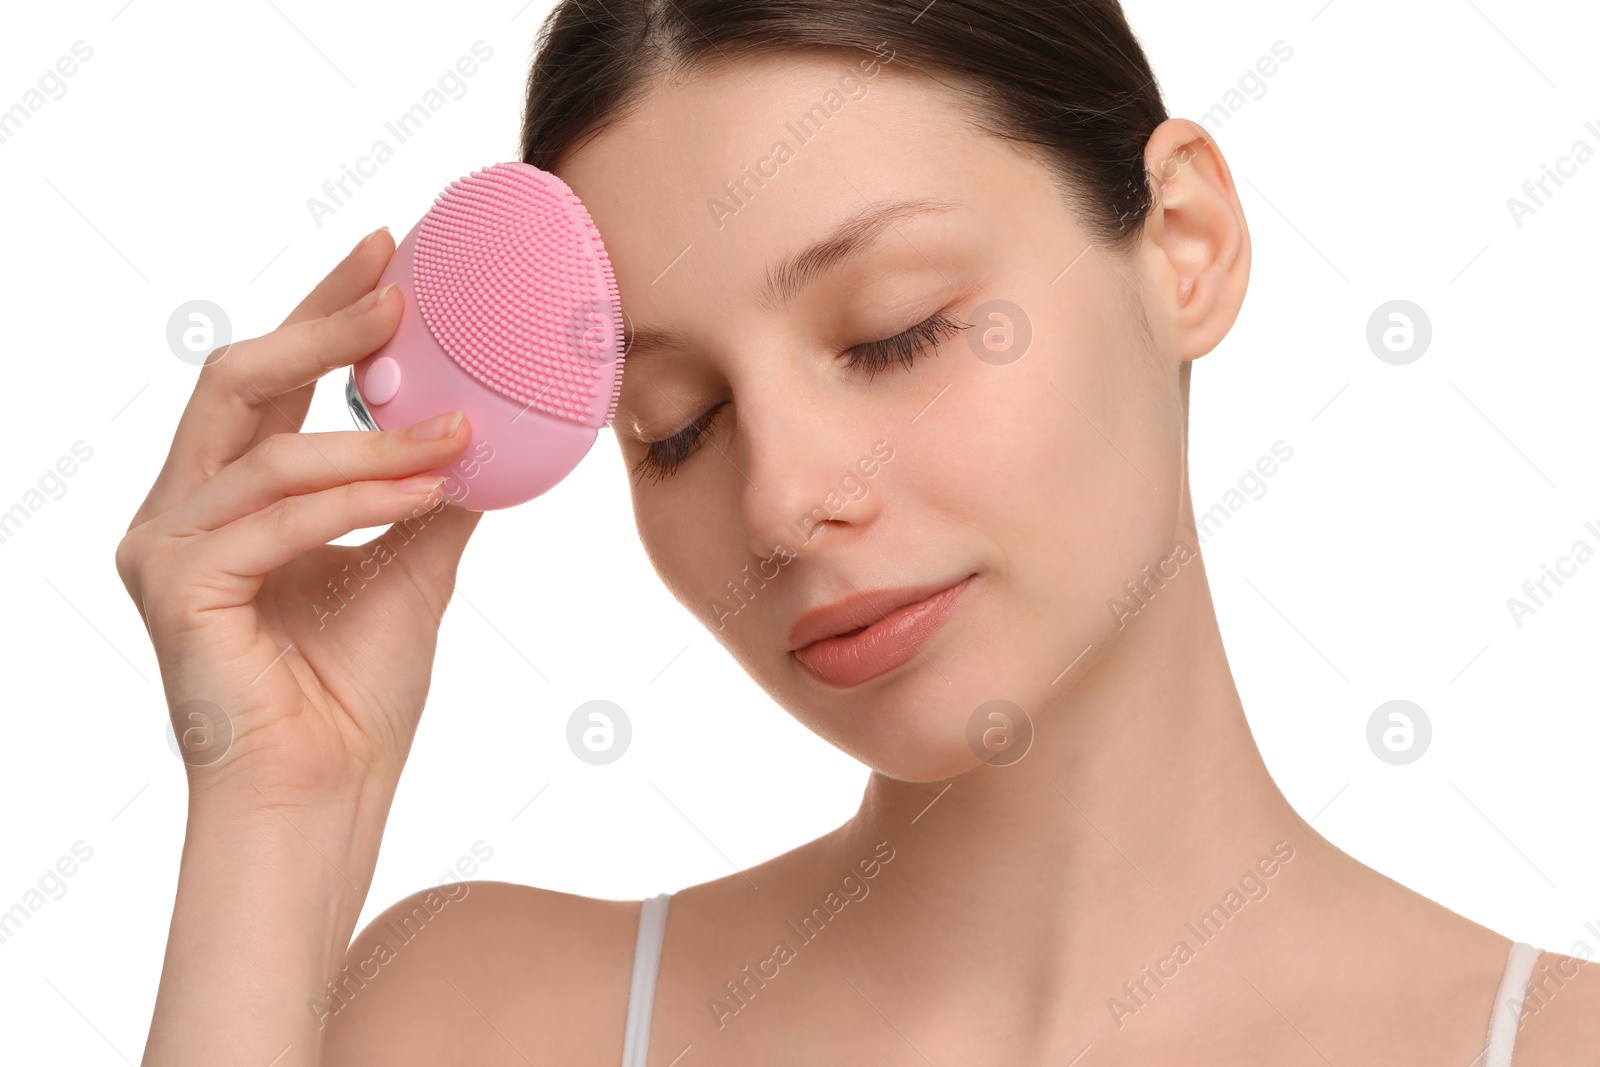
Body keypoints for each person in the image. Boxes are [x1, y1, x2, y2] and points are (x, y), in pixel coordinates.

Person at [123, 1, 1597, 1063]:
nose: (777, 501)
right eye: (677, 425)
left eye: (894, 334)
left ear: (1185, 246)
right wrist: (277, 813)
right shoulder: (487, 1018)